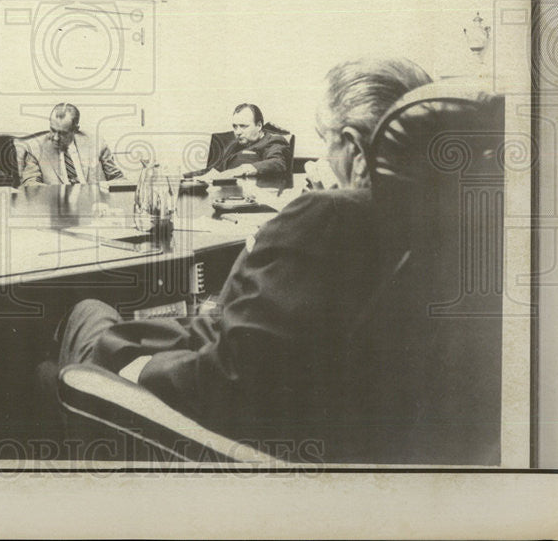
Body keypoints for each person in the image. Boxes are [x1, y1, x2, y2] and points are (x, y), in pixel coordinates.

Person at [56, 58, 433, 456]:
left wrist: (137, 368)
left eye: (327, 141)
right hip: (348, 432)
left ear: (355, 147)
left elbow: (227, 380)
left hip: (233, 442)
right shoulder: (436, 220)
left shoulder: (326, 216)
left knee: (83, 317)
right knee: (117, 325)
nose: (323, 156)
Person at [20, 104, 124, 186]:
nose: (55, 137)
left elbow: (118, 179)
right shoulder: (35, 149)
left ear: (75, 130)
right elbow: (30, 184)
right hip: (57, 207)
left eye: (63, 133)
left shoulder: (96, 143)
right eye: (53, 130)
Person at [193, 103, 291, 180]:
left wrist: (243, 169)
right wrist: (184, 177)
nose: (237, 132)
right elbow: (215, 170)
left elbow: (278, 163)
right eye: (235, 126)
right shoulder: (236, 144)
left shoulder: (272, 141)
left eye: (243, 126)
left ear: (259, 126)